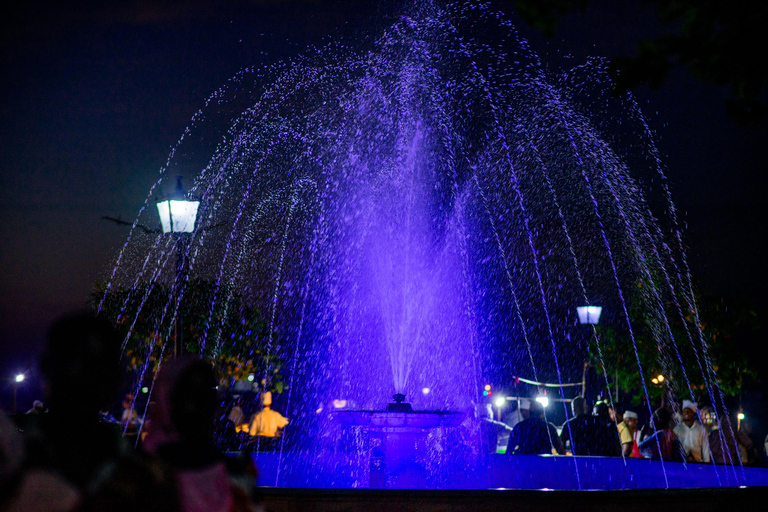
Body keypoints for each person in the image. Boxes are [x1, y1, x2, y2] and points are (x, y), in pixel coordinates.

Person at [143, 355, 259, 512]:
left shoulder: (235, 474)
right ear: (168, 401)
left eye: (206, 395)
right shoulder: (145, 475)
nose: (199, 406)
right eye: (189, 395)